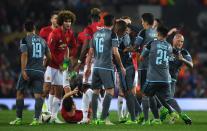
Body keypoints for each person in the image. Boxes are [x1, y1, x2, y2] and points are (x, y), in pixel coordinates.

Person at [85, 14, 126, 125]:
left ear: (103, 22)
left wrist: (88, 67)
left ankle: (95, 119)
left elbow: (90, 52)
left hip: (96, 66)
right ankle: (103, 118)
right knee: (110, 92)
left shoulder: (96, 34)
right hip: (106, 66)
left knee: (95, 92)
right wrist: (121, 66)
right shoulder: (113, 34)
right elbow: (115, 52)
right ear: (113, 23)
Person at [10, 20, 51, 125]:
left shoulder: (24, 40)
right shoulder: (43, 41)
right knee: (38, 95)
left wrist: (23, 70)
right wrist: (44, 67)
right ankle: (36, 119)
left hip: (28, 70)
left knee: (20, 92)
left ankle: (19, 119)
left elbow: (24, 54)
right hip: (39, 71)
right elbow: (49, 57)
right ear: (34, 29)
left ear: (24, 29)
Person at [140, 25, 179, 125]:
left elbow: (141, 57)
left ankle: (147, 119)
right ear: (166, 35)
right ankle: (171, 112)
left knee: (145, 95)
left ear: (158, 34)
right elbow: (177, 54)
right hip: (166, 79)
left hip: (153, 78)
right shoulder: (169, 46)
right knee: (161, 97)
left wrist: (147, 53)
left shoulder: (152, 43)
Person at [47, 10, 76, 123]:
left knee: (58, 91)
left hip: (61, 67)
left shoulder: (70, 33)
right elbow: (49, 51)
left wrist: (65, 64)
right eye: (66, 21)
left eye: (70, 21)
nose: (68, 23)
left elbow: (71, 48)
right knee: (47, 90)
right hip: (50, 65)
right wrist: (59, 64)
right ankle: (42, 114)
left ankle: (53, 117)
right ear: (61, 22)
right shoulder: (52, 33)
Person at [114, 20, 142, 124]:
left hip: (126, 67)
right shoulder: (122, 36)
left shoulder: (124, 36)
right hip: (128, 67)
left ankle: (134, 118)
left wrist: (126, 49)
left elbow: (127, 47)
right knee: (128, 93)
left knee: (128, 93)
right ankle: (139, 113)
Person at [134, 13, 158, 125]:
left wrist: (125, 49)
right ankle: (157, 118)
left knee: (144, 93)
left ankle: (146, 119)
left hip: (144, 67)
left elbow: (135, 47)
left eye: (142, 21)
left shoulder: (143, 32)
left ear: (146, 22)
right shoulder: (156, 33)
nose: (142, 23)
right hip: (154, 67)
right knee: (151, 94)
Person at [167, 33, 193, 124]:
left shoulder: (184, 52)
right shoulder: (167, 48)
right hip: (162, 77)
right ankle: (164, 115)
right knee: (164, 99)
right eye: (178, 41)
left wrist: (183, 60)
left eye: (182, 41)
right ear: (173, 40)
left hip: (172, 79)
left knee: (167, 98)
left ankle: (176, 114)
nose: (180, 43)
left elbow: (191, 65)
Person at [39, 10, 58, 113]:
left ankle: (51, 114)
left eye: (58, 18)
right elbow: (41, 46)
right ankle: (42, 109)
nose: (57, 20)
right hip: (47, 61)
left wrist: (66, 64)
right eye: (55, 18)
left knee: (55, 89)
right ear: (51, 19)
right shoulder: (44, 31)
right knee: (46, 87)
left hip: (58, 63)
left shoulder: (63, 31)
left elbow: (67, 50)